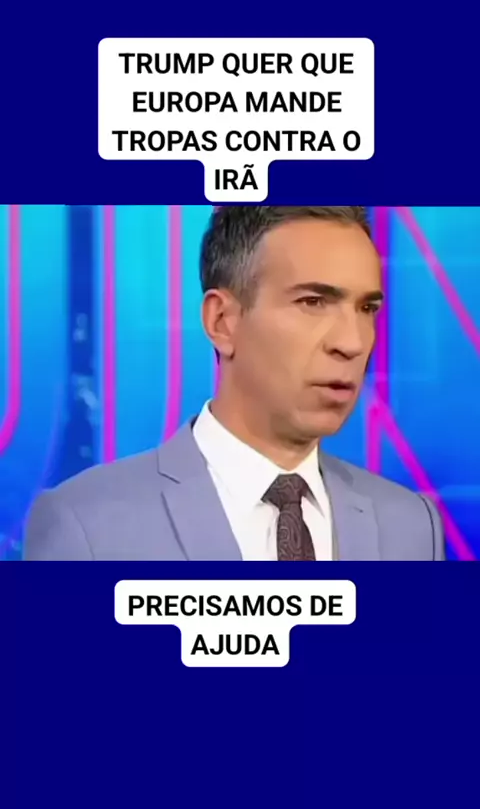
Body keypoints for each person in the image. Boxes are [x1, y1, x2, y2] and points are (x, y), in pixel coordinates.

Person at [24, 206, 446, 561]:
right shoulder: (86, 527)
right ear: (222, 321)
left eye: (366, 308)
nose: (352, 342)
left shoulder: (412, 528)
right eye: (313, 302)